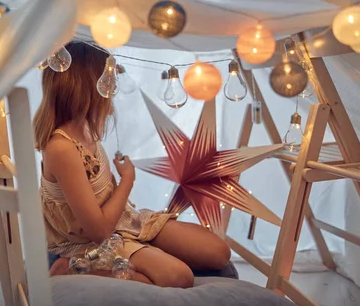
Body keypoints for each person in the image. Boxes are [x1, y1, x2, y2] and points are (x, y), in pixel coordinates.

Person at [34, 41, 231, 288]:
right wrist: (128, 179)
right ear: (90, 87)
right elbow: (99, 232)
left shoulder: (85, 131)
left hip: (124, 221)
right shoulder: (61, 148)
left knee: (219, 252)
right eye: (108, 80)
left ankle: (144, 248)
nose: (112, 89)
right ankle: (71, 269)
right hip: (92, 241)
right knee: (179, 277)